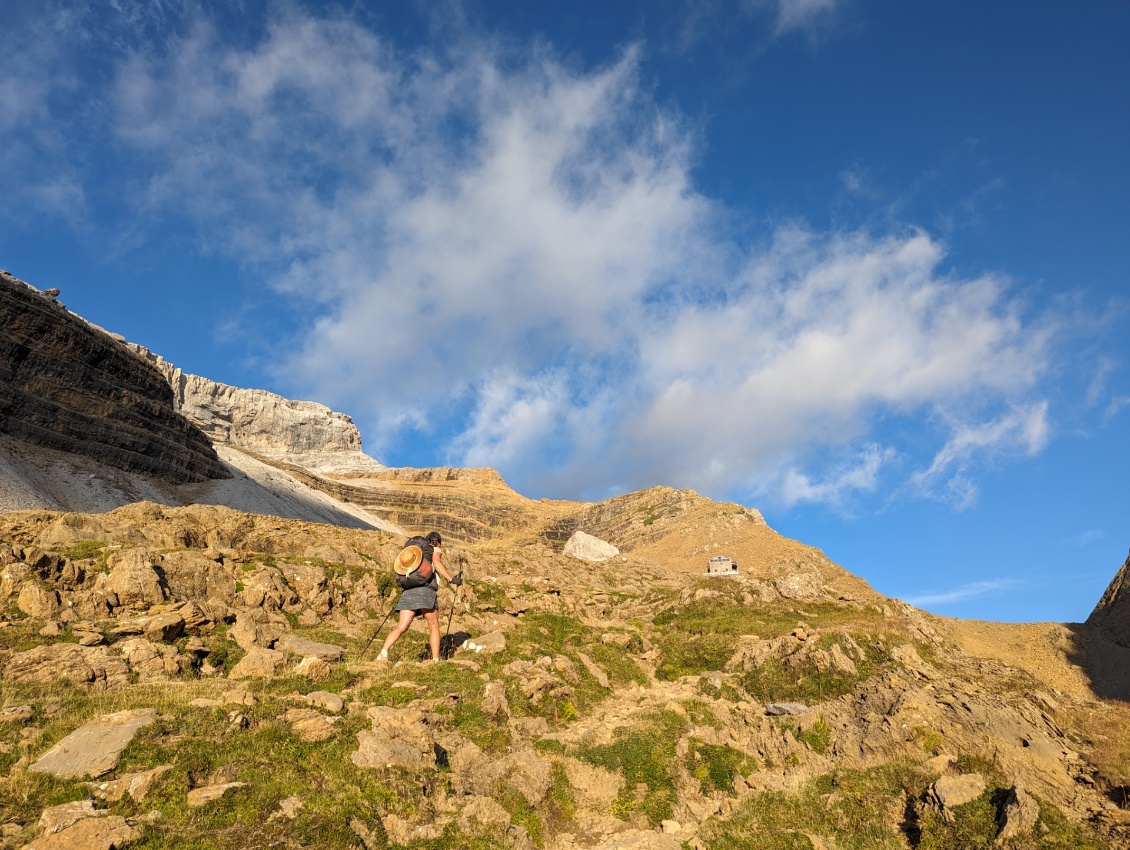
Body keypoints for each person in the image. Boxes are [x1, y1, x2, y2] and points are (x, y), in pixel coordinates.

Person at [376, 531, 463, 663]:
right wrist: (451, 579)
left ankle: (383, 654)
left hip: (408, 591)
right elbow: (437, 564)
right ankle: (435, 660)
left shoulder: (417, 552)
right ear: (438, 542)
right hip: (425, 592)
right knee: (433, 625)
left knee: (401, 627)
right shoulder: (434, 549)